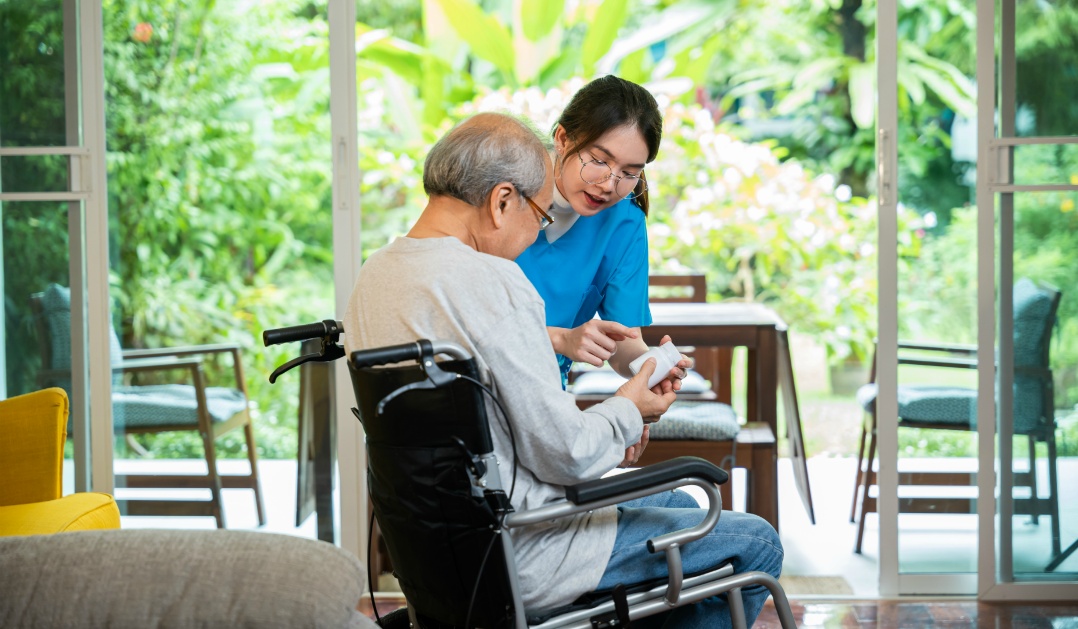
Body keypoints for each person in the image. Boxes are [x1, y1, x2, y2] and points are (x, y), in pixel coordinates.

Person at [343, 112, 782, 628]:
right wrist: (628, 410)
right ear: (502, 200)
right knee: (756, 542)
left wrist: (617, 407)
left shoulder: (374, 276)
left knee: (679, 503)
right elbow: (567, 456)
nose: (538, 232)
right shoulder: (493, 280)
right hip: (528, 542)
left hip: (443, 550)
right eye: (539, 213)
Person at [516, 75, 681, 388]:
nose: (609, 185)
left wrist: (649, 368)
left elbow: (622, 341)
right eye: (599, 160)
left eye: (629, 173)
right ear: (563, 138)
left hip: (548, 391)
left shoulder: (625, 223)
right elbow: (461, 320)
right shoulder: (503, 191)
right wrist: (560, 338)